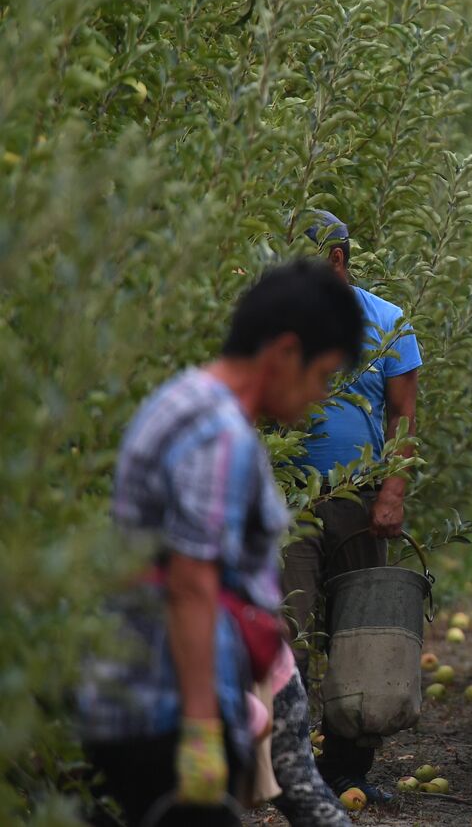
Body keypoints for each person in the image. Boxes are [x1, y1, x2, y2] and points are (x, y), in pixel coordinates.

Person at [78, 261, 363, 826]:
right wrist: (204, 731)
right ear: (284, 352)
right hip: (168, 710)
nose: (320, 396)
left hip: (141, 698)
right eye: (323, 375)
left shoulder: (181, 399)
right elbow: (190, 584)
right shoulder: (220, 437)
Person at [282, 209, 422, 802]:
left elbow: (404, 416)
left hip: (359, 502)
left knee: (358, 638)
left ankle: (346, 770)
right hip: (290, 502)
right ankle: (284, 766)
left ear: (337, 261)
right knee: (284, 629)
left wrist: (392, 492)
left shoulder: (387, 322)